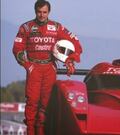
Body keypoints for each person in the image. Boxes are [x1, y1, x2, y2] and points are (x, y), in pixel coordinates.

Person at [12, 0, 82, 135]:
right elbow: (17, 48)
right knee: (32, 104)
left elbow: (75, 42)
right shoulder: (26, 27)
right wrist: (28, 65)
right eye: (39, 12)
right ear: (35, 11)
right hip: (34, 68)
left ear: (49, 12)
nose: (42, 15)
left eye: (44, 12)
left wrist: (70, 60)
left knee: (46, 105)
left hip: (50, 67)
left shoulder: (56, 27)